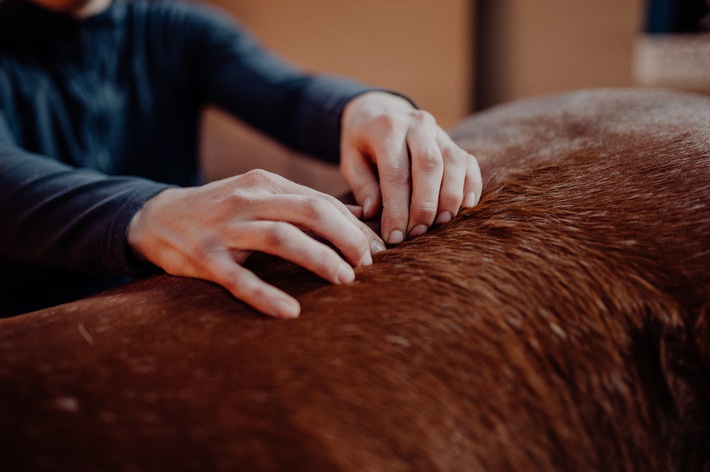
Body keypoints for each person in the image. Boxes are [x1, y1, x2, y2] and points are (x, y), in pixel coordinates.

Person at [0, 0, 482, 319]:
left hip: (171, 299)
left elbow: (288, 95)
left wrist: (367, 108)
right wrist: (147, 212)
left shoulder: (177, 28)